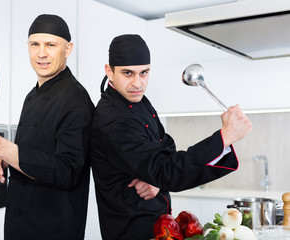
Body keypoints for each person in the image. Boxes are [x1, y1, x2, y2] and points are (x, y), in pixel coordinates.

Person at [90, 34, 252, 240]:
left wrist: (157, 178)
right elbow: (167, 169)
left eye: (144, 73)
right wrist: (224, 136)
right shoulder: (113, 121)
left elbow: (166, 146)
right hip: (132, 230)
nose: (137, 83)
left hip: (159, 225)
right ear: (109, 72)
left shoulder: (137, 99)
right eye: (128, 73)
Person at [0, 14, 94, 240]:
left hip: (53, 229)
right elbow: (36, 148)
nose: (41, 53)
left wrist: (1, 146)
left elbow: (67, 172)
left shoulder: (76, 100)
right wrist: (4, 156)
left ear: (67, 49)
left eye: (50, 45)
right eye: (34, 44)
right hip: (19, 225)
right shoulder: (31, 96)